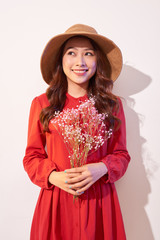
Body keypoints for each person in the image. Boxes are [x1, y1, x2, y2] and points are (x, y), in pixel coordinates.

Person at [23, 24, 130, 240]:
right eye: (71, 53)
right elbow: (32, 157)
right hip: (56, 202)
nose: (80, 62)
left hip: (100, 203)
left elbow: (122, 156)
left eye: (88, 54)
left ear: (97, 61)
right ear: (61, 60)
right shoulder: (42, 104)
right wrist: (54, 176)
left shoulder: (112, 105)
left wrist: (101, 168)